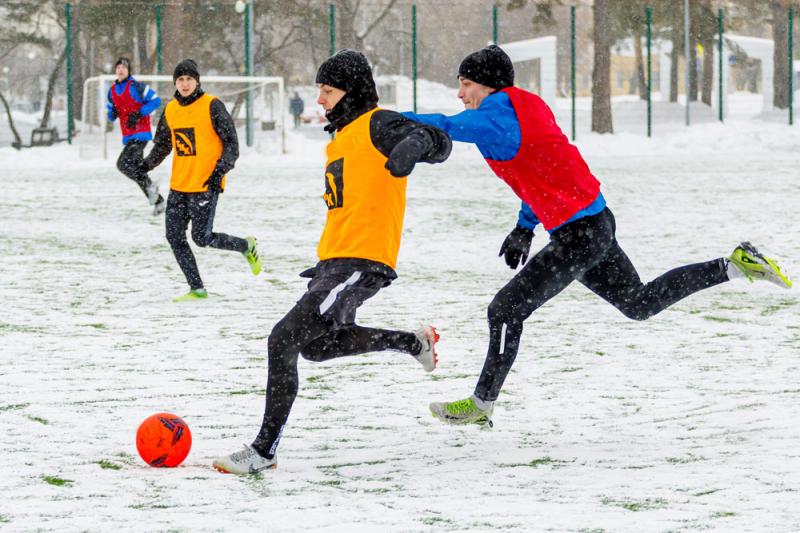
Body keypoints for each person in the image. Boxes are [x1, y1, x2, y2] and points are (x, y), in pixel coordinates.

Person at [401, 45, 793, 427]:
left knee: (505, 310)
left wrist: (378, 120)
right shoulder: (525, 108)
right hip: (595, 223)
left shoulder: (498, 116)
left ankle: (480, 404)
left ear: (488, 85)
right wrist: (524, 226)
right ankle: (733, 265)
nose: (460, 92)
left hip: (581, 236)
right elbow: (540, 173)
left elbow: (447, 124)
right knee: (639, 303)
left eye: (466, 83)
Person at [212, 49, 453, 475]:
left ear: (351, 91)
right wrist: (325, 264)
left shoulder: (378, 122)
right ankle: (413, 342)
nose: (319, 99)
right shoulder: (341, 136)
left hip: (363, 260)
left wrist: (416, 144)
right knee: (317, 347)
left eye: (327, 90)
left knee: (282, 339)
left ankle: (263, 450)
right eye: (319, 90)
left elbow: (440, 141)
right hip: (335, 263)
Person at [143, 59, 263, 302]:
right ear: (175, 83)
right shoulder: (170, 110)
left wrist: (220, 171)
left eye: (189, 79)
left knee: (202, 238)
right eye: (180, 79)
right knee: (174, 237)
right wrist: (144, 165)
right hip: (178, 185)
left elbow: (232, 144)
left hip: (206, 185)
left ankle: (246, 246)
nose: (185, 84)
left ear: (197, 81)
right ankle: (197, 289)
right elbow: (164, 145)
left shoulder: (212, 105)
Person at [106, 57, 165, 215]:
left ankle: (154, 193)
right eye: (118, 66)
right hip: (129, 136)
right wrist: (113, 113)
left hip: (141, 134)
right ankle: (157, 199)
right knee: (137, 170)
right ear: (115, 70)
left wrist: (138, 113)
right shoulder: (111, 92)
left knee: (123, 164)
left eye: (124, 67)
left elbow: (155, 101)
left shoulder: (137, 87)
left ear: (128, 70)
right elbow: (110, 116)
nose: (121, 69)